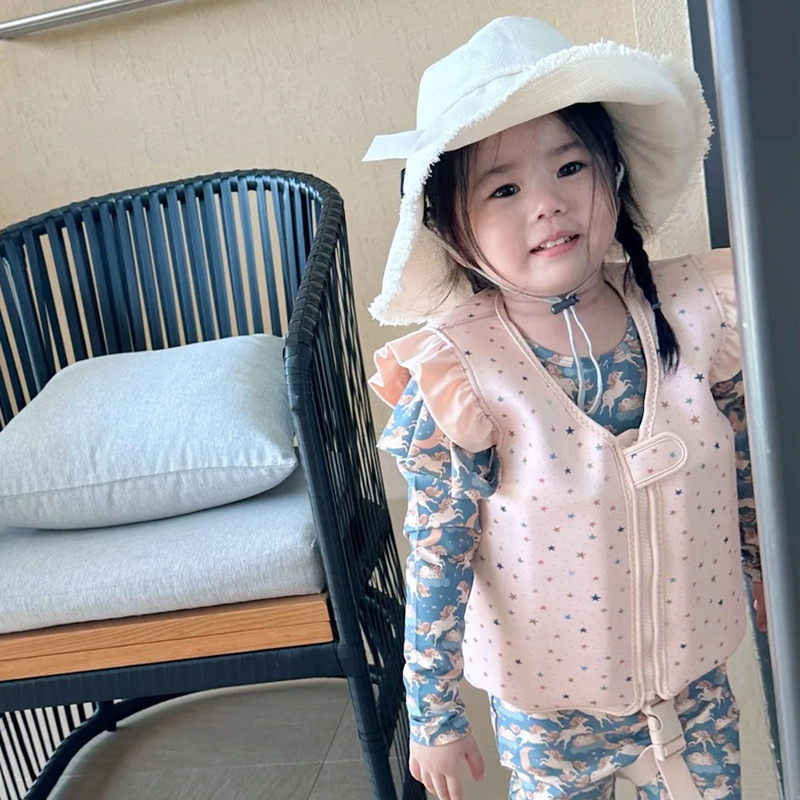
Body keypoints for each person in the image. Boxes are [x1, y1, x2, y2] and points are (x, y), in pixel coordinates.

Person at [363, 16, 763, 800]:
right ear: (451, 226)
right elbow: (439, 553)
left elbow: (743, 461)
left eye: (570, 166)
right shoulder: (462, 374)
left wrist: (765, 569)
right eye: (505, 189)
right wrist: (434, 713)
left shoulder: (693, 312)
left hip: (694, 690)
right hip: (549, 717)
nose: (546, 203)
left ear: (613, 173)